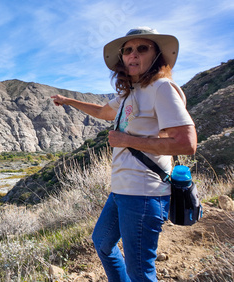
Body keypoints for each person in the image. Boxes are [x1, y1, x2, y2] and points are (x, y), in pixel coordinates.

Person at [51, 27, 197, 281]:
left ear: (157, 55)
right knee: (103, 243)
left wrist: (127, 140)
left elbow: (186, 143)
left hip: (144, 194)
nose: (133, 54)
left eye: (142, 48)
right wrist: (68, 101)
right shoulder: (132, 92)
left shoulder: (161, 88)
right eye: (128, 50)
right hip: (122, 191)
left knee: (140, 270)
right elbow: (101, 111)